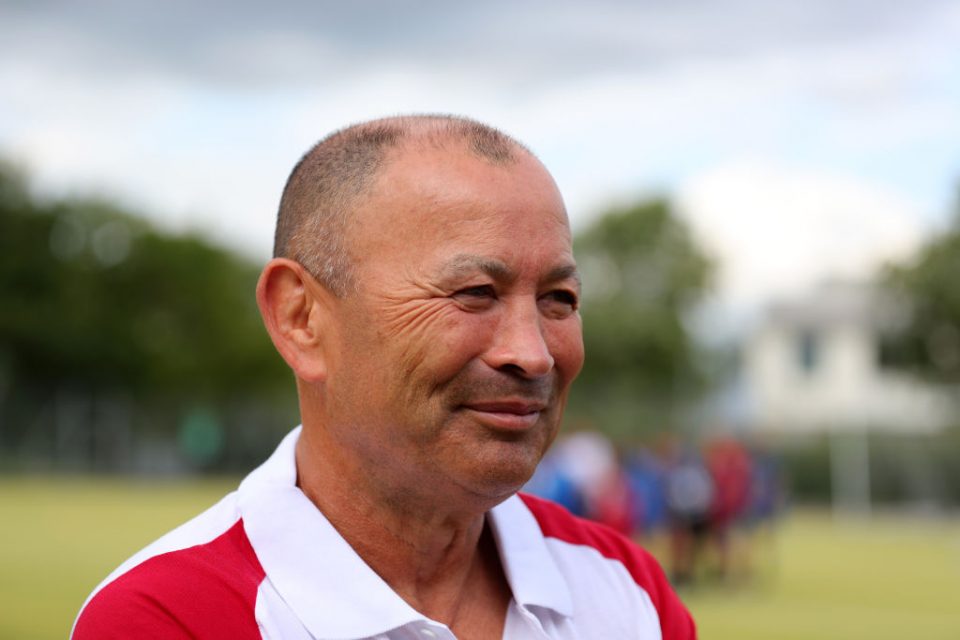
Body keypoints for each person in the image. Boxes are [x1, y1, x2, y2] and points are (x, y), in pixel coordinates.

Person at [72, 115, 696, 639]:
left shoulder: (624, 592)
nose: (532, 354)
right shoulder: (170, 618)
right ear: (301, 317)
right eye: (475, 292)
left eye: (559, 299)